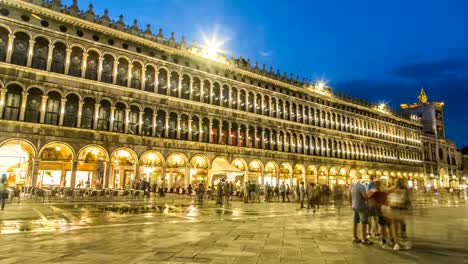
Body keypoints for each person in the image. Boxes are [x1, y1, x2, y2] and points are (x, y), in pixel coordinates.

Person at [351, 177, 372, 245]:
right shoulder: (361, 186)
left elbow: (349, 196)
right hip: (361, 206)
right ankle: (364, 239)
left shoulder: (352, 186)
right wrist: (368, 199)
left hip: (354, 206)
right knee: (363, 222)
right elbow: (364, 196)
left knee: (355, 222)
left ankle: (354, 237)